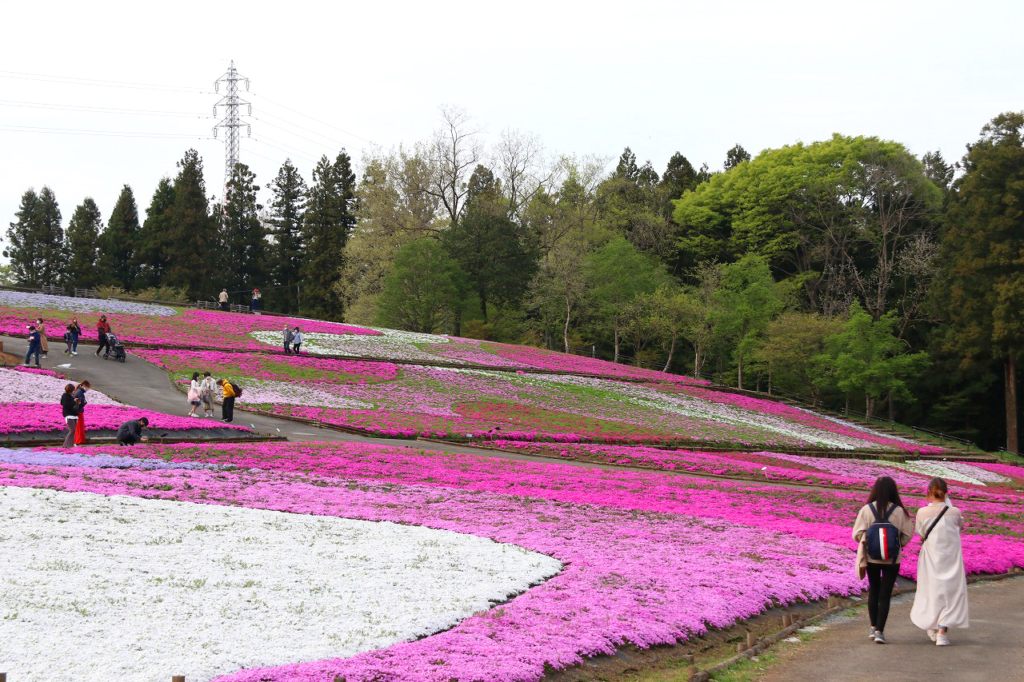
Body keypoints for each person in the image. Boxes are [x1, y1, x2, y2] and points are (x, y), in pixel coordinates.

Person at [852, 476, 914, 644]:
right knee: (885, 594)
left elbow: (856, 534)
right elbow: (908, 534)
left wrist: (869, 540)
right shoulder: (899, 511)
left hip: (871, 558)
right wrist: (895, 545)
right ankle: (880, 631)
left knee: (874, 591)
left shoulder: (866, 509)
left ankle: (872, 627)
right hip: (892, 560)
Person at [911, 477, 968, 646]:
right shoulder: (955, 512)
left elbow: (920, 533)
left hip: (931, 558)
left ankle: (933, 626)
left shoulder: (922, 512)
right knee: (951, 593)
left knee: (931, 591)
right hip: (951, 559)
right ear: (946, 493)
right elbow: (961, 526)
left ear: (928, 493)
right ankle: (942, 632)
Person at [60, 383, 81, 448]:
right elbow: (67, 405)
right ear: (70, 390)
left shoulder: (69, 396)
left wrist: (75, 401)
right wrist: (75, 402)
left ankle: (70, 445)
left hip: (73, 415)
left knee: (73, 430)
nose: (73, 392)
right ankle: (66, 445)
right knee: (72, 430)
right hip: (69, 415)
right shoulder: (66, 396)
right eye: (73, 390)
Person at [73, 381, 91, 445]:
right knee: (79, 427)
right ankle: (78, 441)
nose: (88, 389)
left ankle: (79, 441)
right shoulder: (80, 392)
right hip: (78, 411)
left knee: (79, 426)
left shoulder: (79, 391)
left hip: (78, 410)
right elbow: (81, 402)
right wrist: (84, 402)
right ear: (83, 385)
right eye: (87, 387)